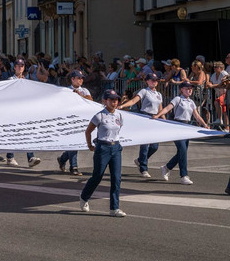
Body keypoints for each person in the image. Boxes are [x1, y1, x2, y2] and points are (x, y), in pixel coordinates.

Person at [80, 89, 126, 217]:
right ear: (105, 101)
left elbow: (117, 131)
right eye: (111, 100)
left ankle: (114, 208)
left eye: (116, 100)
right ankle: (84, 197)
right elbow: (88, 131)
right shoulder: (99, 116)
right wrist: (90, 145)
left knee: (116, 178)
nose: (114, 103)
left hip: (116, 148)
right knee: (97, 176)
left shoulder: (119, 115)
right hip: (103, 148)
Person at [153, 81, 209, 185]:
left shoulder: (191, 102)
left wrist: (205, 124)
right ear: (181, 89)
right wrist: (157, 115)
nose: (189, 90)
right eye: (187, 88)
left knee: (182, 152)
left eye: (191, 88)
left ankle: (166, 167)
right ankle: (184, 175)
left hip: (186, 127)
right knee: (182, 150)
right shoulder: (178, 99)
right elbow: (167, 108)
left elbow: (196, 116)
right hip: (177, 126)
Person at [118, 73, 164, 178]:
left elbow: (160, 109)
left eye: (156, 80)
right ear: (147, 81)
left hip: (155, 118)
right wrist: (122, 106)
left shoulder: (159, 94)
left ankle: (140, 160)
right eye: (152, 80)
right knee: (145, 144)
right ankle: (144, 168)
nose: (154, 82)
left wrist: (165, 121)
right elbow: (134, 101)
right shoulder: (144, 91)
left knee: (155, 146)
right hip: (145, 117)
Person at [6, 59, 41, 167]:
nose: (20, 67)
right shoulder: (11, 79)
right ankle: (10, 157)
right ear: (14, 67)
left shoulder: (26, 80)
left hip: (24, 110)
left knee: (28, 133)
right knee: (13, 134)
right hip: (13, 110)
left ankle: (30, 157)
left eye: (22, 65)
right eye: (18, 65)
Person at [57, 70, 92, 176]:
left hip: (81, 118)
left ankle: (62, 159)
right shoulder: (66, 90)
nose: (81, 80)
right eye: (79, 78)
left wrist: (80, 95)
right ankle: (74, 167)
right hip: (69, 119)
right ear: (73, 79)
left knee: (75, 143)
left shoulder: (84, 90)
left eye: (82, 78)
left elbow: (90, 100)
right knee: (73, 142)